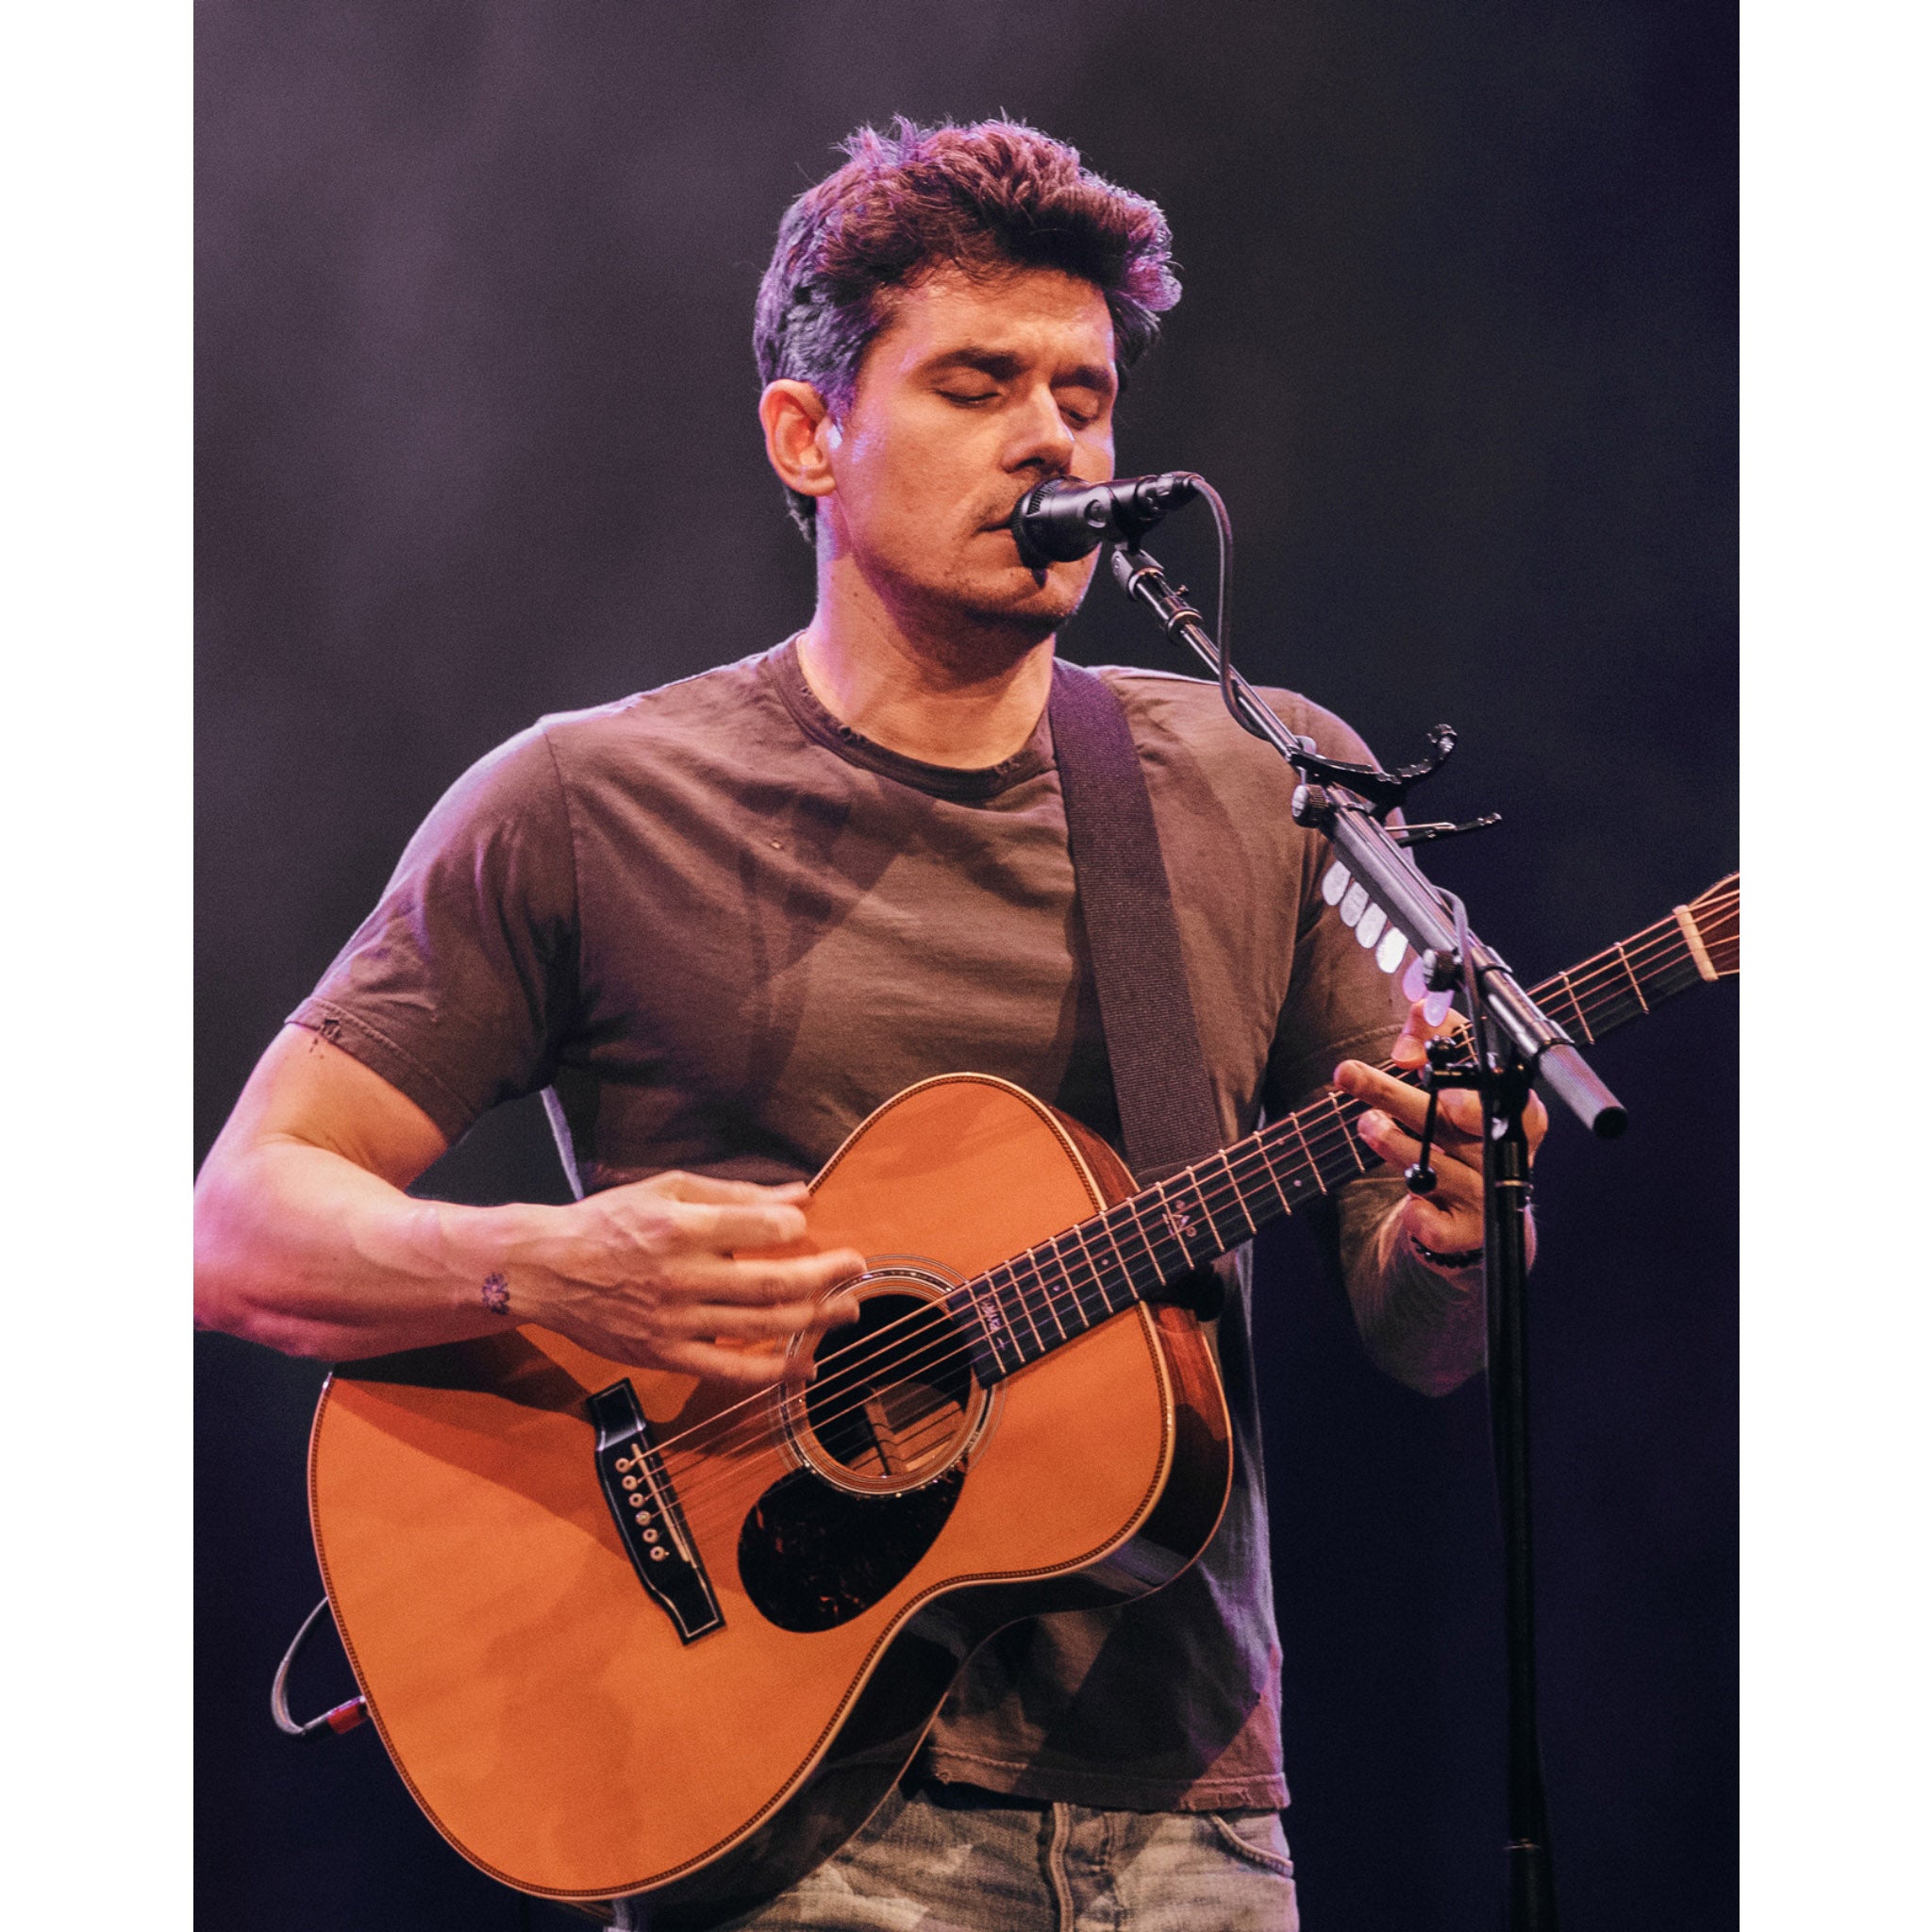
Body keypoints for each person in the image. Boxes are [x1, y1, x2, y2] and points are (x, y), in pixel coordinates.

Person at [194, 118, 1543, 1932]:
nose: (1053, 436)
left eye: (1085, 390)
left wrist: (1460, 1231)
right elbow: (245, 1230)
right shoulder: (585, 804)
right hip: (783, 1812)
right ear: (808, 433)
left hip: (1196, 1818)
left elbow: (1425, 1331)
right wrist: (544, 1266)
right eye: (979, 383)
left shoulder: (1258, 783)